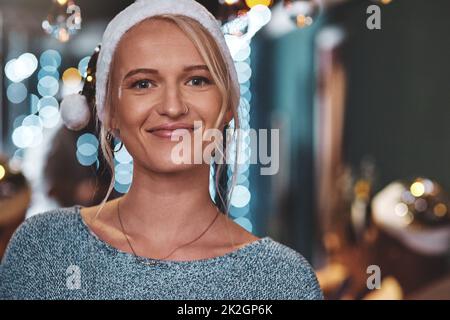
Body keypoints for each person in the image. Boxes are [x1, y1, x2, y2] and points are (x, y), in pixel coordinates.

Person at [0, 0, 323, 300]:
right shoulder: (44, 248)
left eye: (197, 80)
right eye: (143, 83)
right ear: (109, 112)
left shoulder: (281, 281)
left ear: (227, 105)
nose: (172, 107)